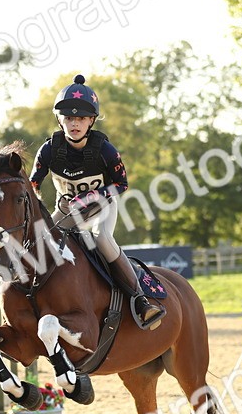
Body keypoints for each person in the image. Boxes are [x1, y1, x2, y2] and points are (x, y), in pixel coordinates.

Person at [30, 74, 165, 330]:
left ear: (91, 120)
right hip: (67, 209)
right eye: (69, 118)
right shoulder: (48, 150)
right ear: (60, 120)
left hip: (101, 207)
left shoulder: (105, 150)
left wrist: (90, 196)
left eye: (80, 119)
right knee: (37, 238)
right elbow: (33, 185)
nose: (74, 124)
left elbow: (122, 184)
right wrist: (42, 211)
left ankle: (140, 299)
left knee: (102, 238)